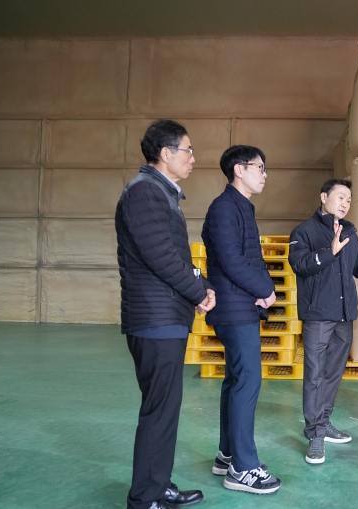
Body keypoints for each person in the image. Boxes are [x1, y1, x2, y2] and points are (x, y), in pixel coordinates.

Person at [116, 119, 214, 509]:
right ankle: (145, 499)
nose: (193, 158)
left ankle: (159, 485)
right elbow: (159, 257)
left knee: (165, 409)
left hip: (165, 315)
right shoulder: (144, 192)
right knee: (159, 411)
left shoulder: (160, 192)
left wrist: (202, 284)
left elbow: (175, 257)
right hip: (155, 318)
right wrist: (198, 292)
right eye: (188, 150)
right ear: (165, 153)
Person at [288, 179, 358, 465]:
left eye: (348, 199)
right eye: (340, 197)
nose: (345, 203)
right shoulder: (304, 231)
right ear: (323, 197)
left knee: (333, 373)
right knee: (315, 374)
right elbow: (299, 265)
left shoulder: (349, 230)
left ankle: (323, 423)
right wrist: (330, 251)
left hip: (344, 315)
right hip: (318, 315)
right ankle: (315, 435)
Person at [202, 145, 282, 494]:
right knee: (247, 381)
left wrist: (265, 289)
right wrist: (265, 289)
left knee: (236, 380)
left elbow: (248, 258)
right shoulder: (224, 208)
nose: (264, 174)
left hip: (240, 305)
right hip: (234, 308)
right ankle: (243, 468)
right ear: (239, 169)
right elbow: (232, 260)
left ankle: (227, 454)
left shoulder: (240, 207)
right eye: (259, 167)